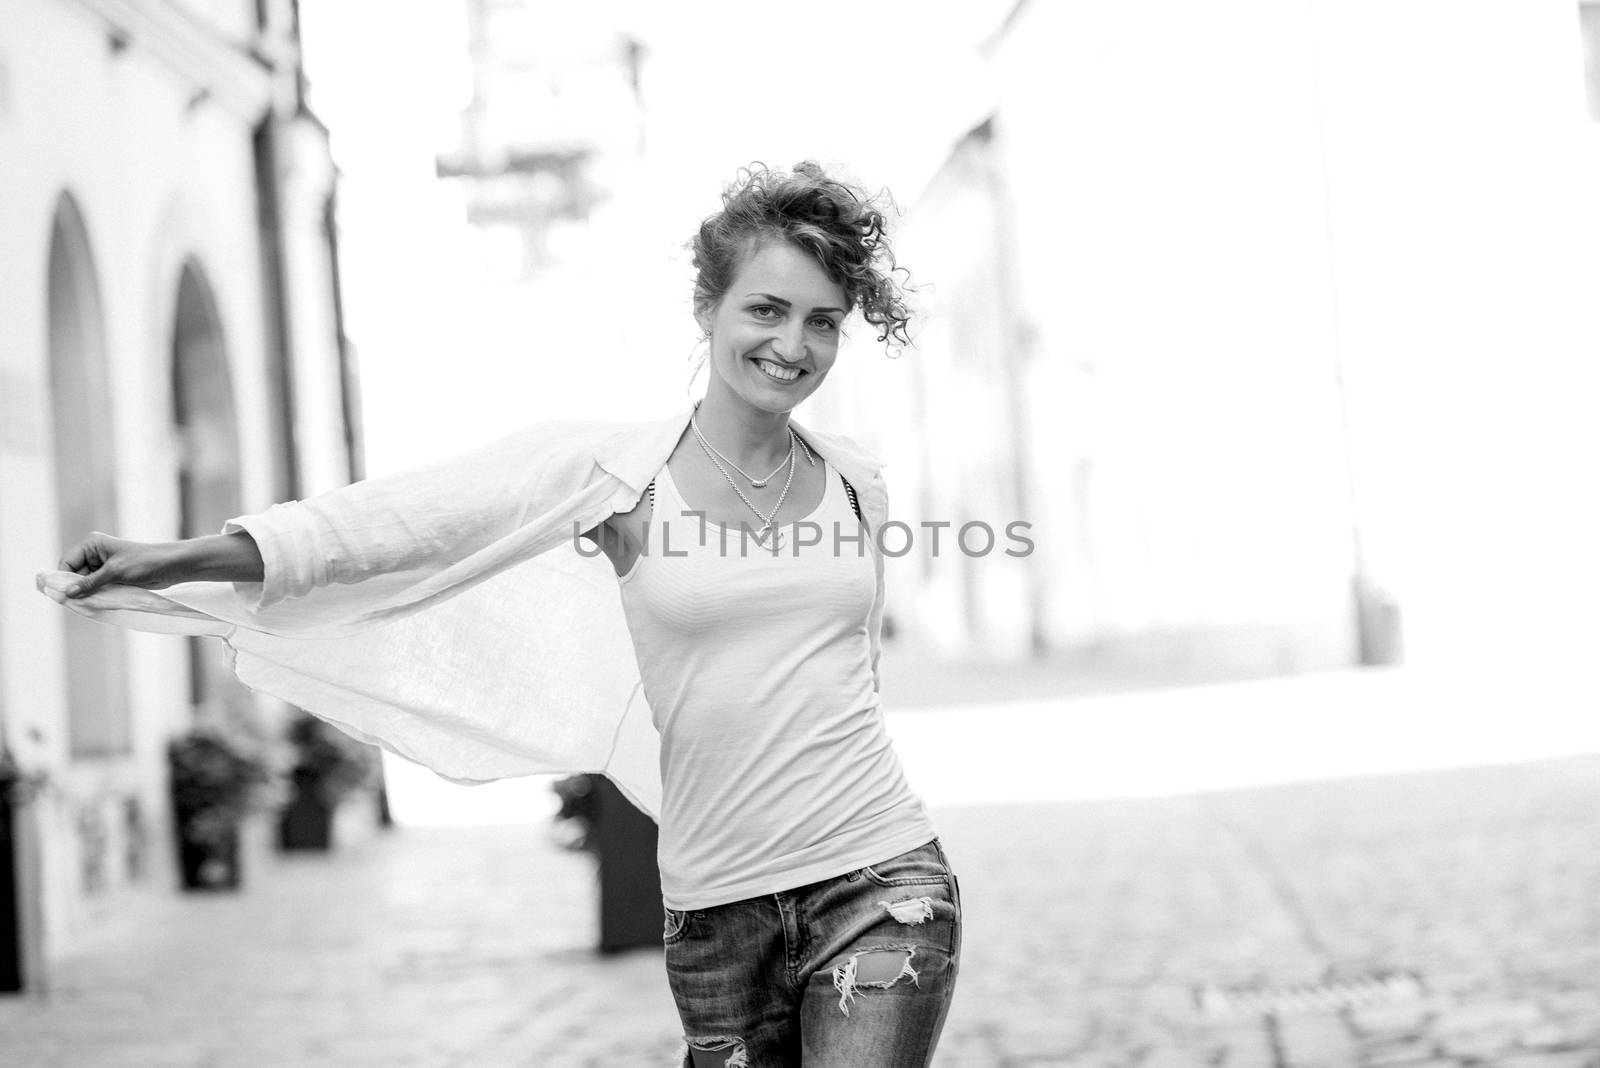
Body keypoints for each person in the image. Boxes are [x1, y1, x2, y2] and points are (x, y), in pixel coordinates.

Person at [41, 161, 961, 1067]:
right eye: (766, 309)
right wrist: (173, 559)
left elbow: (846, 680)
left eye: (823, 323)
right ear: (707, 308)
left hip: (881, 882)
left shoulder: (854, 484)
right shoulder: (619, 477)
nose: (792, 346)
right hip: (717, 907)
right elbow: (399, 526)